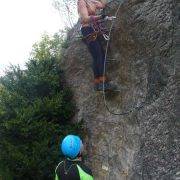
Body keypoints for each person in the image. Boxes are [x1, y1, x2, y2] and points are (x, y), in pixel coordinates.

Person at [77, 0, 117, 91]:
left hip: (93, 29)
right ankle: (103, 83)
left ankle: (98, 83)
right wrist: (101, 17)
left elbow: (102, 4)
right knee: (98, 55)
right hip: (87, 30)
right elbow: (84, 19)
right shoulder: (82, 2)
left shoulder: (92, 1)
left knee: (99, 55)